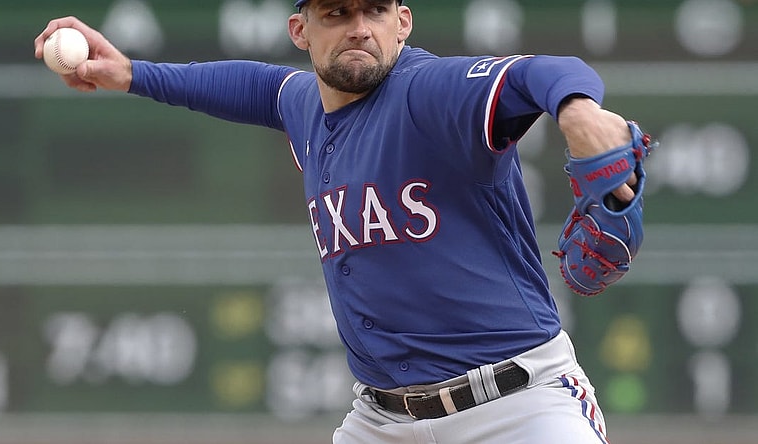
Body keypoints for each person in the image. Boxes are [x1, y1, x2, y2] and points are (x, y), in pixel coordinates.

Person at [35, 1, 648, 442]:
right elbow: (248, 85)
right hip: (381, 422)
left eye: (374, 12)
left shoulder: (429, 91)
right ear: (301, 30)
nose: (358, 29)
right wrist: (132, 74)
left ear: (401, 22)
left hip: (516, 410)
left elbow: (539, 72)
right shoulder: (306, 105)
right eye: (336, 14)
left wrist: (576, 109)